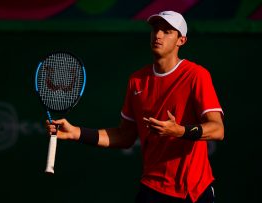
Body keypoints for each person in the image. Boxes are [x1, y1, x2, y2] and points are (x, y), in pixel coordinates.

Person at [45, 10, 224, 203]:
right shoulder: (136, 81)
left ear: (181, 40)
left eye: (167, 31)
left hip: (193, 191)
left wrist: (179, 130)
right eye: (155, 29)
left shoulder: (196, 75)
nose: (158, 35)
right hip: (152, 188)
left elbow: (217, 129)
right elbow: (124, 136)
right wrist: (75, 133)